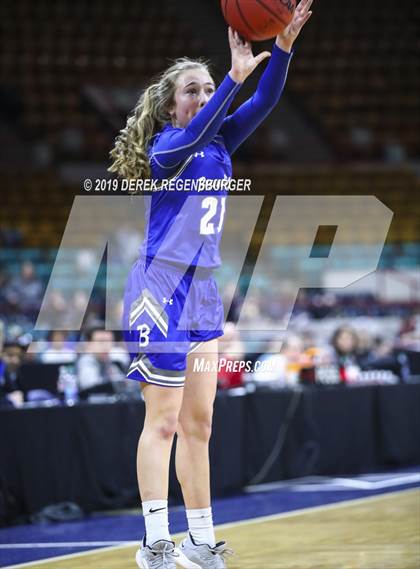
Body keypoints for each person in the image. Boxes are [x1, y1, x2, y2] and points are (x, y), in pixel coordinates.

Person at [109, 3, 313, 567]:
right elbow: (209, 117)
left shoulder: (221, 143)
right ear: (171, 104)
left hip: (202, 292)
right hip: (159, 290)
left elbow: (266, 102)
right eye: (191, 91)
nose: (202, 98)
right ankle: (154, 543)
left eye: (206, 89)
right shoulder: (167, 150)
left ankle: (200, 542)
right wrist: (230, 76)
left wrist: (285, 45)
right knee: (166, 420)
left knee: (200, 424)